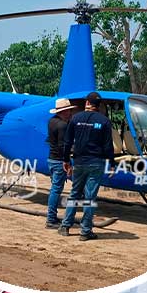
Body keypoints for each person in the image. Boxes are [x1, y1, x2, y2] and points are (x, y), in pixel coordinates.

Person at [59, 92, 115, 241]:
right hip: (96, 163)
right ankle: (85, 231)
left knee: (74, 193)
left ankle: (65, 226)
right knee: (90, 197)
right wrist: (112, 163)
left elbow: (67, 142)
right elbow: (108, 145)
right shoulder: (104, 121)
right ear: (99, 105)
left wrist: (66, 160)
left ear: (87, 103)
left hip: (79, 162)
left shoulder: (75, 118)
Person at [44, 98, 77, 228]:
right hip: (59, 161)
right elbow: (63, 146)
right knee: (56, 190)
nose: (70, 113)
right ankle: (51, 219)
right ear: (64, 112)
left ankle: (52, 217)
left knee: (55, 189)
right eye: (68, 110)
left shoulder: (51, 121)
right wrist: (67, 162)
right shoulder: (62, 125)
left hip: (52, 159)